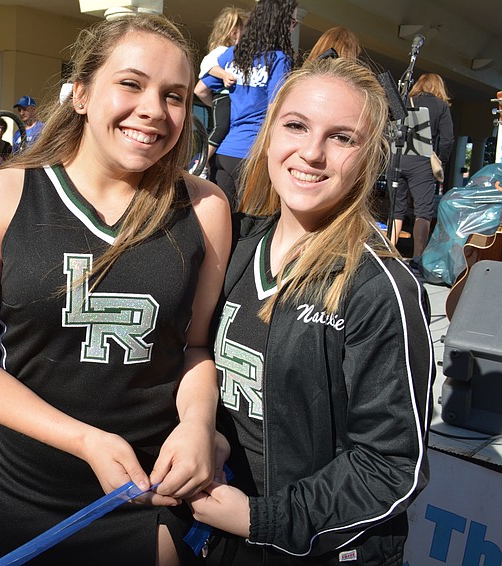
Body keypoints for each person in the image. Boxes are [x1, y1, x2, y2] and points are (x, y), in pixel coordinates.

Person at [0, 14, 231, 565]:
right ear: (80, 94)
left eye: (173, 95)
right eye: (131, 83)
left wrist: (198, 425)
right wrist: (85, 440)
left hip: (151, 492)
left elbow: (195, 347)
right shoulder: (1, 195)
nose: (153, 109)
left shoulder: (205, 207)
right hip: (25, 494)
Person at [187, 57, 434, 564]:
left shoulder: (379, 288)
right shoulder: (235, 246)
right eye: (296, 126)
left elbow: (391, 466)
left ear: (370, 158)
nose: (313, 153)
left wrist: (262, 519)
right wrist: (204, 432)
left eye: (342, 137)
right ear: (268, 135)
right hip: (222, 535)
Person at [195, 0, 297, 209]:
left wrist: (225, 111)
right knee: (249, 223)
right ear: (280, 23)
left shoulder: (232, 55)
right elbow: (275, 110)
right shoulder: (279, 59)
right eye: (292, 22)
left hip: (223, 153)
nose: (293, 28)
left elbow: (200, 90)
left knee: (220, 219)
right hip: (253, 156)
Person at [390, 73, 454, 272]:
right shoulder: (440, 106)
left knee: (396, 210)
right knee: (423, 212)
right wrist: (441, 160)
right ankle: (418, 258)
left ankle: (388, 254)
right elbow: (448, 140)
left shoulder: (402, 101)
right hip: (422, 162)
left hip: (397, 158)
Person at [195, 6, 248, 168]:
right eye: (245, 32)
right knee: (220, 129)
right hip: (222, 96)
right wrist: (224, 75)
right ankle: (201, 161)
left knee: (223, 129)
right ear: (234, 33)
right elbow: (207, 66)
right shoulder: (223, 51)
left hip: (223, 99)